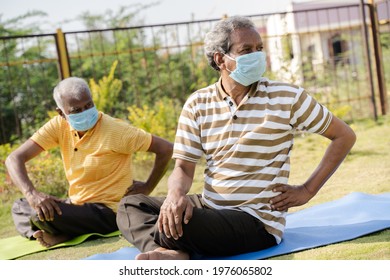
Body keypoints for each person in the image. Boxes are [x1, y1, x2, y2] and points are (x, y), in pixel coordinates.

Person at [116, 16, 356, 260]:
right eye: (247, 50)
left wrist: (307, 190)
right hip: (210, 207)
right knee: (131, 206)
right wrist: (175, 195)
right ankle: (166, 252)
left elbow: (344, 136)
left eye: (259, 49)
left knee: (181, 223)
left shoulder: (288, 97)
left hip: (256, 220)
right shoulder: (197, 103)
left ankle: (174, 247)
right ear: (221, 59)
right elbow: (184, 168)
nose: (257, 55)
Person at [5, 77, 173, 248]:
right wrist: (32, 194)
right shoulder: (58, 126)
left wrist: (148, 186)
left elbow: (166, 149)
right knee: (20, 206)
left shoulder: (117, 131)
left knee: (40, 215)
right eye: (76, 110)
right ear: (61, 113)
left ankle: (59, 231)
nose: (85, 112)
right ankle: (57, 231)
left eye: (88, 105)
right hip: (77, 206)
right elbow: (14, 158)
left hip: (109, 211)